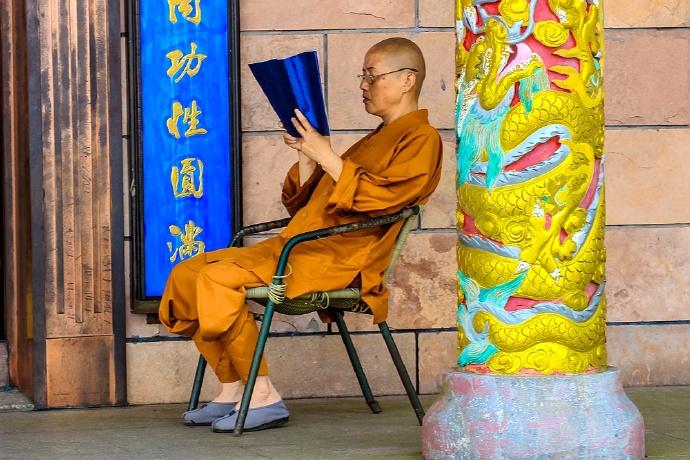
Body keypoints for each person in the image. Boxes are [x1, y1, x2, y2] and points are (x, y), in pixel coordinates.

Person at [158, 37, 443, 433]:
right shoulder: (375, 138)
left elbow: (383, 201)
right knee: (187, 275)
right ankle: (232, 388)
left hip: (339, 258)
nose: (363, 84)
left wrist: (328, 155)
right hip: (300, 246)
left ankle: (263, 396)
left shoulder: (422, 139)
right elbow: (306, 204)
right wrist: (306, 155)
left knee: (216, 279)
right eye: (363, 76)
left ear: (407, 80)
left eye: (371, 76)